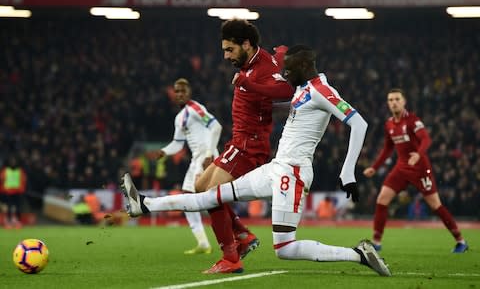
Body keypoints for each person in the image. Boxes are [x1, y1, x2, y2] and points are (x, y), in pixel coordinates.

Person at [121, 45, 392, 277]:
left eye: (289, 68)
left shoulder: (322, 89)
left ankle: (358, 254)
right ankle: (143, 204)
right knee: (210, 197)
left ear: (305, 64)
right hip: (275, 168)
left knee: (285, 249)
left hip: (293, 173)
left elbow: (359, 122)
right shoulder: (303, 88)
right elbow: (291, 108)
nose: (284, 73)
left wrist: (348, 172)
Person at [190, 19, 294, 273]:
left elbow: (284, 89)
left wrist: (248, 83)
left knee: (211, 193)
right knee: (200, 187)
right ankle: (243, 235)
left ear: (246, 44)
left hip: (250, 145)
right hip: (237, 141)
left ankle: (231, 257)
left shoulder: (261, 68)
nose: (226, 56)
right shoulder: (254, 62)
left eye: (230, 49)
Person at [363, 88, 468, 253]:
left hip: (420, 168)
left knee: (435, 205)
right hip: (401, 167)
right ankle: (376, 242)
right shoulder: (389, 124)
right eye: (390, 100)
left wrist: (418, 155)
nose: (394, 102)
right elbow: (387, 149)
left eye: (397, 99)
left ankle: (460, 240)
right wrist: (374, 167)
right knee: (382, 199)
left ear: (404, 101)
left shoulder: (412, 120)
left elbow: (426, 139)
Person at [146, 78, 222, 255]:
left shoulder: (195, 108)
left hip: (205, 157)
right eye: (177, 91)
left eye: (183, 91)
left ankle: (238, 235)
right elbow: (178, 144)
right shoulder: (180, 118)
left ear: (189, 93)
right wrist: (164, 152)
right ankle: (203, 243)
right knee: (192, 201)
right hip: (197, 159)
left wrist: (210, 154)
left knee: (210, 200)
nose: (179, 94)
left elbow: (216, 127)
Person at [0, 156, 27, 229]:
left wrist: (22, 190)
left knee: (18, 208)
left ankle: (17, 221)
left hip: (17, 192)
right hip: (7, 192)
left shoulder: (19, 171)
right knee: (9, 207)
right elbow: (1, 180)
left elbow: (23, 181)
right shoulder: (5, 170)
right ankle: (8, 222)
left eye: (14, 161)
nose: (13, 162)